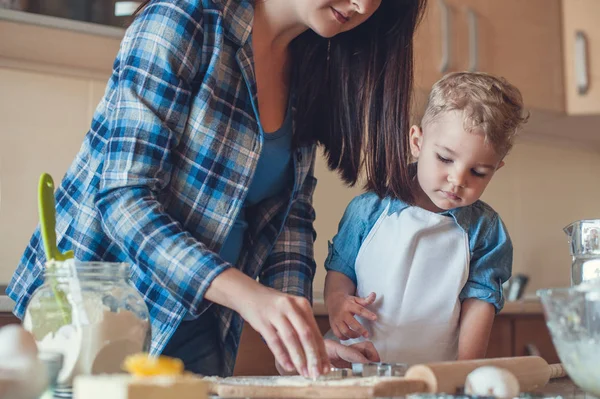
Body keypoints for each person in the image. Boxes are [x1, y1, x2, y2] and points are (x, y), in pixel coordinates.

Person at [7, 0, 426, 378]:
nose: (362, 5)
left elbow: (290, 221)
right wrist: (251, 298)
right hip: (89, 320)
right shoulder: (182, 21)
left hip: (201, 325)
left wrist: (296, 337)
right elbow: (123, 200)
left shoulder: (309, 65)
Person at [324, 72, 529, 365]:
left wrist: (465, 371)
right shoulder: (368, 210)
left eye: (479, 172)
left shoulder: (485, 230)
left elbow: (479, 303)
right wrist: (336, 302)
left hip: (433, 375)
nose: (457, 180)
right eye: (445, 159)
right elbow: (341, 268)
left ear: (496, 169)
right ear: (417, 142)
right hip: (356, 366)